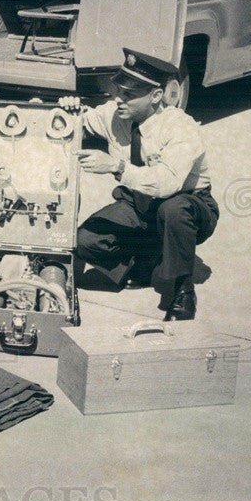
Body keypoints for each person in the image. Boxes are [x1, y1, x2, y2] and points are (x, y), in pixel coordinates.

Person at [59, 49, 219, 320]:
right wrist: (67, 109)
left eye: (129, 95)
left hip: (188, 206)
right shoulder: (116, 113)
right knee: (84, 240)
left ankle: (182, 289)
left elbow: (167, 183)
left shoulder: (181, 128)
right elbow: (81, 121)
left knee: (173, 210)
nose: (118, 100)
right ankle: (144, 263)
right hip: (138, 204)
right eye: (117, 91)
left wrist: (117, 166)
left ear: (156, 96)